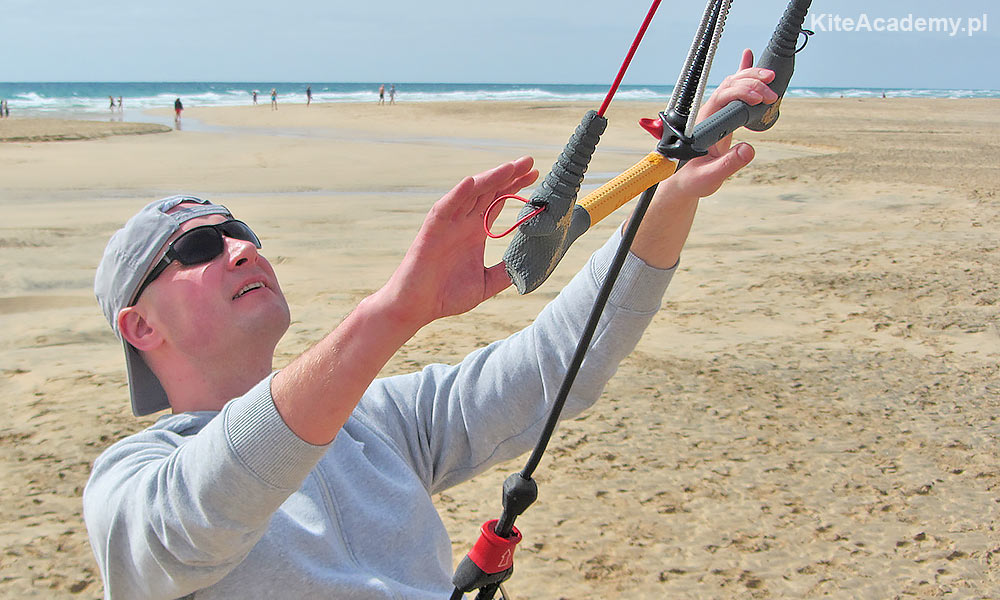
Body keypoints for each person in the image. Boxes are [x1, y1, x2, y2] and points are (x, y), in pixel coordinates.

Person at [84, 51, 777, 598]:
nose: (241, 247)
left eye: (238, 229)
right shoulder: (130, 483)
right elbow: (204, 509)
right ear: (140, 327)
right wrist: (394, 313)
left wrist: (674, 193)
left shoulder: (376, 423)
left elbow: (556, 364)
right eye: (198, 249)